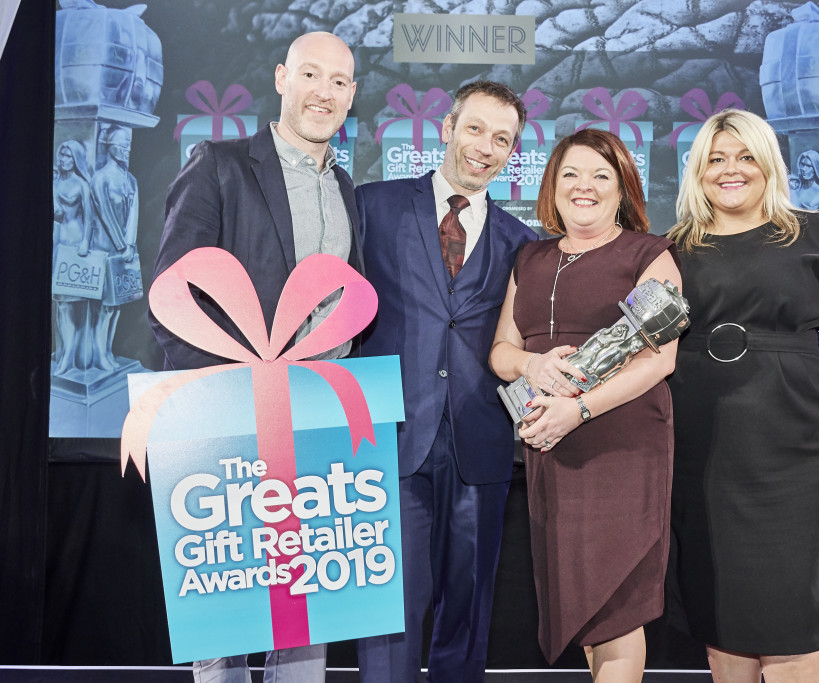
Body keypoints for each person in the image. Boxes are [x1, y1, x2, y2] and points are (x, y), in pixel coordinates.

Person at [151, 31, 361, 683]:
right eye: (310, 74)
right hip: (227, 422)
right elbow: (172, 296)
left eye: (338, 81)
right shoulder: (220, 165)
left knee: (303, 626)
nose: (323, 92)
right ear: (280, 77)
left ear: (352, 95)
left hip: (318, 425)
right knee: (224, 628)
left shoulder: (347, 187)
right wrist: (212, 409)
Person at [664, 109, 819, 683]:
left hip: (798, 452)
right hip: (702, 453)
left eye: (745, 156)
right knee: (721, 613)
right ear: (698, 172)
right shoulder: (672, 248)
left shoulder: (818, 234)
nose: (730, 170)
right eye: (715, 159)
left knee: (793, 617)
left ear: (769, 164)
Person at [355, 81, 536, 683]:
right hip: (389, 439)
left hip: (479, 446)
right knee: (391, 612)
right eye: (476, 128)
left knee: (468, 610)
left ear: (513, 152)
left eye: (503, 139)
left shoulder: (523, 243)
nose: (486, 146)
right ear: (447, 127)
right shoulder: (372, 206)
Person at [489, 128, 681, 681]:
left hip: (621, 444)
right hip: (550, 448)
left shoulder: (650, 253)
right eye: (571, 174)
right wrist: (532, 366)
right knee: (583, 613)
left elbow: (658, 360)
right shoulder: (529, 258)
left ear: (622, 188)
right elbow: (502, 351)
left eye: (601, 176)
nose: (584, 187)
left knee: (617, 611)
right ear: (552, 185)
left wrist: (581, 409)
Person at [89, 125, 140, 370]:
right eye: (122, 146)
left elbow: (133, 216)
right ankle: (100, 354)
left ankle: (107, 351)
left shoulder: (130, 180)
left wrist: (129, 244)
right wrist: (121, 244)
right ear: (110, 147)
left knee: (117, 303)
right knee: (102, 306)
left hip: (124, 251)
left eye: (129, 147)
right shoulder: (101, 178)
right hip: (104, 250)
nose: (126, 151)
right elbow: (105, 213)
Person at [52, 139, 93, 374]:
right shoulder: (54, 181)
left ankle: (68, 356)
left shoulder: (81, 185)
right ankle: (63, 352)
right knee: (59, 304)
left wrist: (86, 242)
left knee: (69, 304)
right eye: (61, 155)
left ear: (75, 159)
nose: (63, 159)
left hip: (74, 244)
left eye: (68, 156)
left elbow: (89, 218)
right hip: (55, 243)